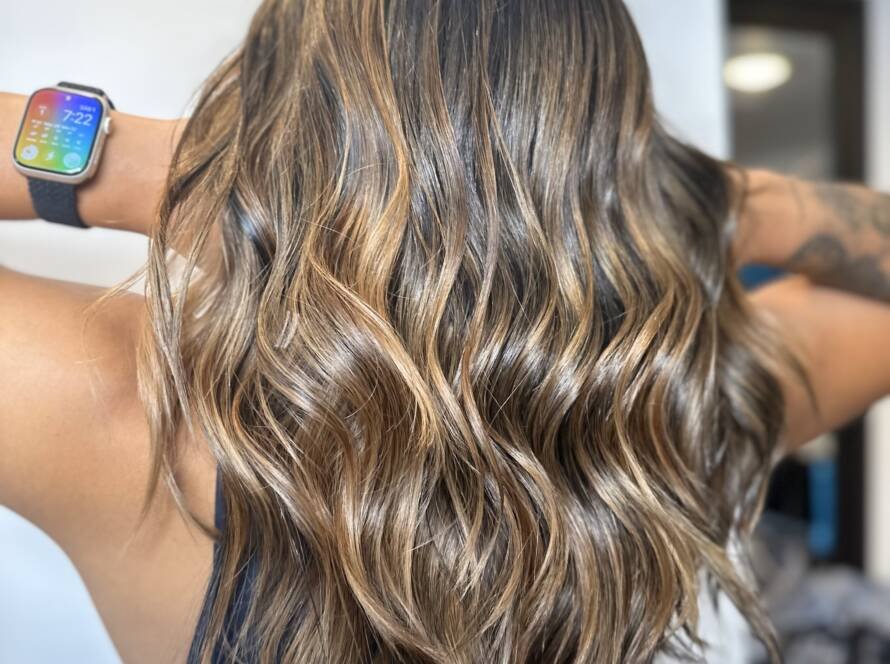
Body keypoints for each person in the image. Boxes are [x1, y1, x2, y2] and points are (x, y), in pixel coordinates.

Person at [0, 0, 888, 662]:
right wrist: (700, 200)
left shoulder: (125, 415)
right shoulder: (679, 411)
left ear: (275, 106)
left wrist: (171, 172)